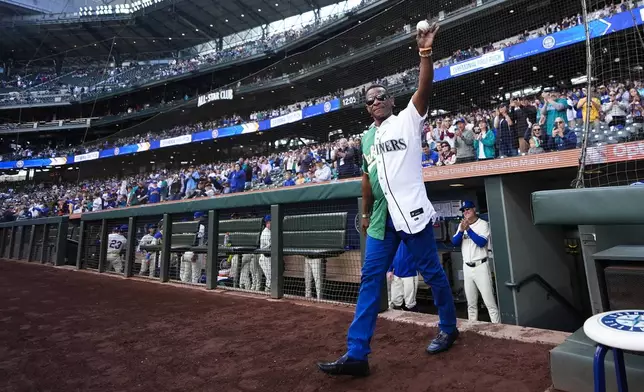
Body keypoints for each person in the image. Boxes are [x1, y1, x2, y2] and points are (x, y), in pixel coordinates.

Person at [317, 20, 458, 378]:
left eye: (382, 96)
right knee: (370, 279)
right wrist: (365, 213)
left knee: (431, 272)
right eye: (371, 100)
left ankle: (448, 325)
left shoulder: (408, 120)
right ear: (366, 108)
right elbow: (366, 179)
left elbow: (424, 88)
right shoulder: (365, 139)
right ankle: (357, 353)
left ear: (392, 101)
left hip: (411, 213)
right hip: (382, 217)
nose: (377, 101)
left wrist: (425, 52)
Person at [451, 201, 500, 323]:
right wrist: (462, 230)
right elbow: (454, 242)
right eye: (463, 210)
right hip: (467, 267)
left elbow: (481, 242)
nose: (465, 212)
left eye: (468, 209)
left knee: (489, 302)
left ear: (474, 210)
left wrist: (469, 230)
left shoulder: (483, 224)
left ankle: (498, 328)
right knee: (471, 303)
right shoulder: (461, 225)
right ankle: (472, 327)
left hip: (480, 266)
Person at [387, 243, 419, 311]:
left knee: (410, 303)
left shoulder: (413, 237)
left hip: (410, 274)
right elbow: (391, 254)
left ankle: (413, 319)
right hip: (396, 273)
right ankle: (397, 319)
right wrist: (390, 269)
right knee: (395, 300)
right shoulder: (395, 238)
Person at [180, 212, 206, 284]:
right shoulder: (201, 226)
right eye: (202, 217)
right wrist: (195, 253)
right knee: (195, 275)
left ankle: (184, 290)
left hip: (186, 252)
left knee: (186, 273)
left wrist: (183, 253)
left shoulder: (188, 226)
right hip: (194, 252)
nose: (203, 218)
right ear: (199, 217)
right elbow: (196, 239)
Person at [258, 215, 272, 293]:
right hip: (265, 258)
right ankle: (267, 293)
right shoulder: (266, 232)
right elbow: (270, 246)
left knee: (270, 278)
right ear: (268, 222)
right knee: (270, 278)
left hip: (267, 258)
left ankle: (267, 293)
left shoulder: (269, 231)